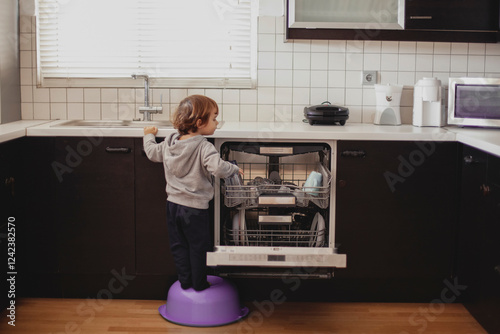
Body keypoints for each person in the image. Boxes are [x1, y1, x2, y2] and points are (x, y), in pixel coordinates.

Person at [143, 95, 241, 291]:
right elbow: (219, 169)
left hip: (172, 206)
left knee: (179, 246)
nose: (216, 122)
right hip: (195, 210)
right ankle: (199, 284)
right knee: (198, 248)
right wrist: (233, 168)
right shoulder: (204, 146)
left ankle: (185, 281)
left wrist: (148, 135)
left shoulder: (170, 142)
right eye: (214, 118)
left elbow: (152, 153)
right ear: (199, 123)